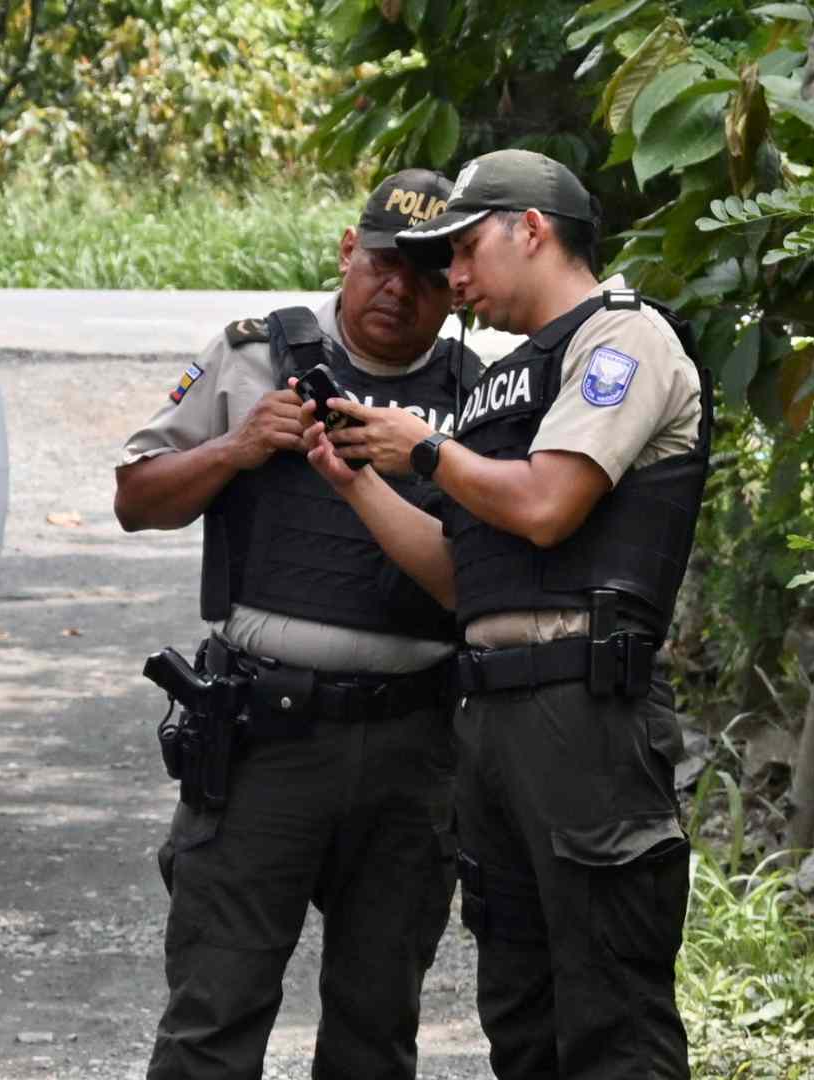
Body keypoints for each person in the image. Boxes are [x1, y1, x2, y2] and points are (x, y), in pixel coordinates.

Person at [302, 148, 709, 1079]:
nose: (450, 278)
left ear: (532, 230)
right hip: (496, 718)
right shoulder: (505, 384)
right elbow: (463, 580)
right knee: (521, 1016)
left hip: (585, 712)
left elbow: (547, 504)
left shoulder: (623, 339)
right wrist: (358, 479)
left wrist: (429, 452)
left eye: (464, 249)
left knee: (611, 1015)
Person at [117, 170, 478, 1079]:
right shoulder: (252, 355)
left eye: (429, 274)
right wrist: (240, 447)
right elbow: (134, 499)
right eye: (386, 264)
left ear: (456, 286)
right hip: (266, 739)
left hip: (414, 744)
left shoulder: (480, 391)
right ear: (349, 253)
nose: (400, 289)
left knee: (376, 1029)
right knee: (215, 1016)